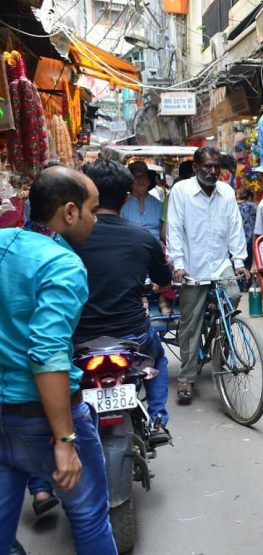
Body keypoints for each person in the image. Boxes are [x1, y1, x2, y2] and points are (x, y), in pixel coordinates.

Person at [0, 166, 117, 554]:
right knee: (88, 517)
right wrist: (65, 440)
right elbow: (47, 353)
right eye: (92, 210)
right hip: (42, 421)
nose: (95, 220)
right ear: (69, 212)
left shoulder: (4, 242)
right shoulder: (63, 265)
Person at [74, 160, 173, 444]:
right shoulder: (143, 238)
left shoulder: (68, 238)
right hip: (132, 335)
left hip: (80, 337)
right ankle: (157, 419)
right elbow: (163, 281)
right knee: (158, 359)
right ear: (126, 196)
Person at [167, 146, 249, 402]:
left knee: (234, 294)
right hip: (193, 266)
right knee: (190, 323)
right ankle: (187, 377)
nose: (213, 171)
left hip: (220, 263)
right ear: (196, 168)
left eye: (216, 167)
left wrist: (239, 261)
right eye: (207, 167)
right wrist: (178, 264)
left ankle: (220, 342)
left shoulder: (226, 191)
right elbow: (175, 230)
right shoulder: (181, 191)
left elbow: (235, 228)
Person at [120, 161, 164, 243]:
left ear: (149, 181)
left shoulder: (159, 205)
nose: (140, 180)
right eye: (135, 176)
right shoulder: (121, 204)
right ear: (130, 182)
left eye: (143, 176)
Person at [236, 188, 257, 274]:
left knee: (239, 262)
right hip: (250, 239)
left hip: (237, 239)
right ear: (249, 197)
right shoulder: (253, 206)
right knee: (248, 263)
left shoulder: (234, 206)